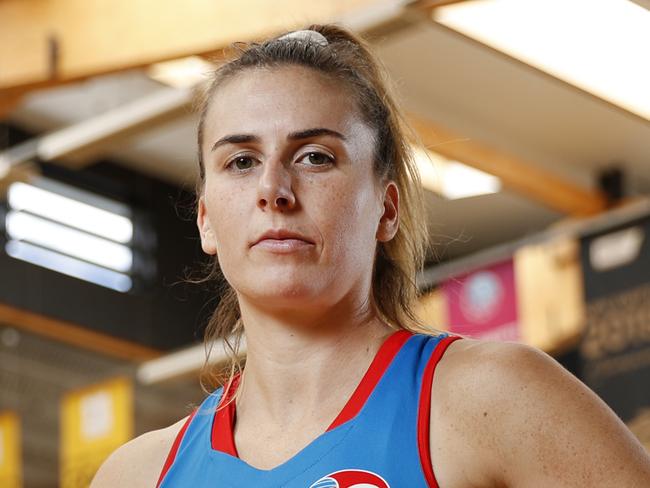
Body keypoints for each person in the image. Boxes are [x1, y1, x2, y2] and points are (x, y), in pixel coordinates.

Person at [91, 24, 650, 487]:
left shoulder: (492, 399)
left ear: (387, 209)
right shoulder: (137, 475)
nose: (274, 190)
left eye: (314, 156)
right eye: (240, 161)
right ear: (206, 219)